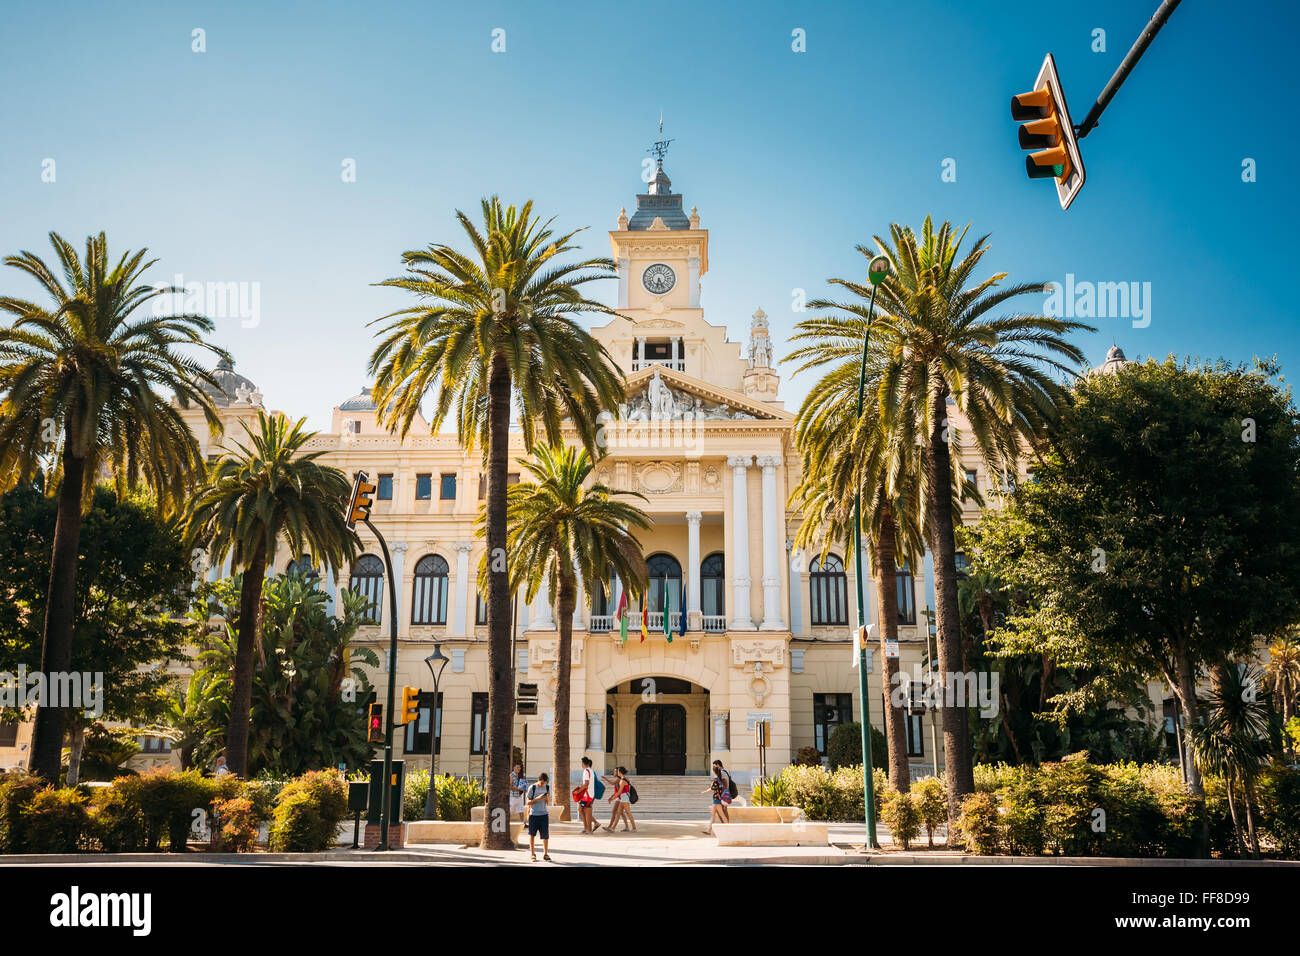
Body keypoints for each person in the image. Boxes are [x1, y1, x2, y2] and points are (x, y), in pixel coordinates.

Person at [600, 767, 636, 832]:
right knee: (619, 813)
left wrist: (612, 798)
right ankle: (612, 828)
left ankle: (634, 828)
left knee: (628, 813)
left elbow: (619, 792)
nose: (617, 773)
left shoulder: (622, 780)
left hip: (624, 797)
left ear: (620, 772)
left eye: (618, 771)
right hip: (623, 797)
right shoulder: (623, 779)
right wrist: (613, 797)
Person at [526, 771, 552, 862]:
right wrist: (538, 798)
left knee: (545, 836)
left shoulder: (547, 787)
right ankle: (532, 854)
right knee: (532, 835)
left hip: (544, 815)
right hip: (534, 815)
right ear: (538, 780)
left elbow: (548, 803)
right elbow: (528, 802)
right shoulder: (532, 788)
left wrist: (547, 797)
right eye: (541, 783)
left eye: (544, 783)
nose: (542, 785)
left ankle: (545, 854)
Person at [702, 759, 733, 835]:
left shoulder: (716, 780)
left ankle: (729, 829)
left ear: (714, 771)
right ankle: (709, 830)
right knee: (713, 815)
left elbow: (712, 789)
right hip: (717, 799)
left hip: (717, 800)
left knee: (722, 815)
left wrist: (704, 792)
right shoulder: (720, 779)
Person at [578, 756, 599, 833]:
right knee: (581, 809)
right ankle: (586, 828)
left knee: (586, 811)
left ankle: (588, 829)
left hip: (587, 795)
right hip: (589, 794)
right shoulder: (591, 770)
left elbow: (586, 784)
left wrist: (579, 791)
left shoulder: (586, 771)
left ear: (583, 763)